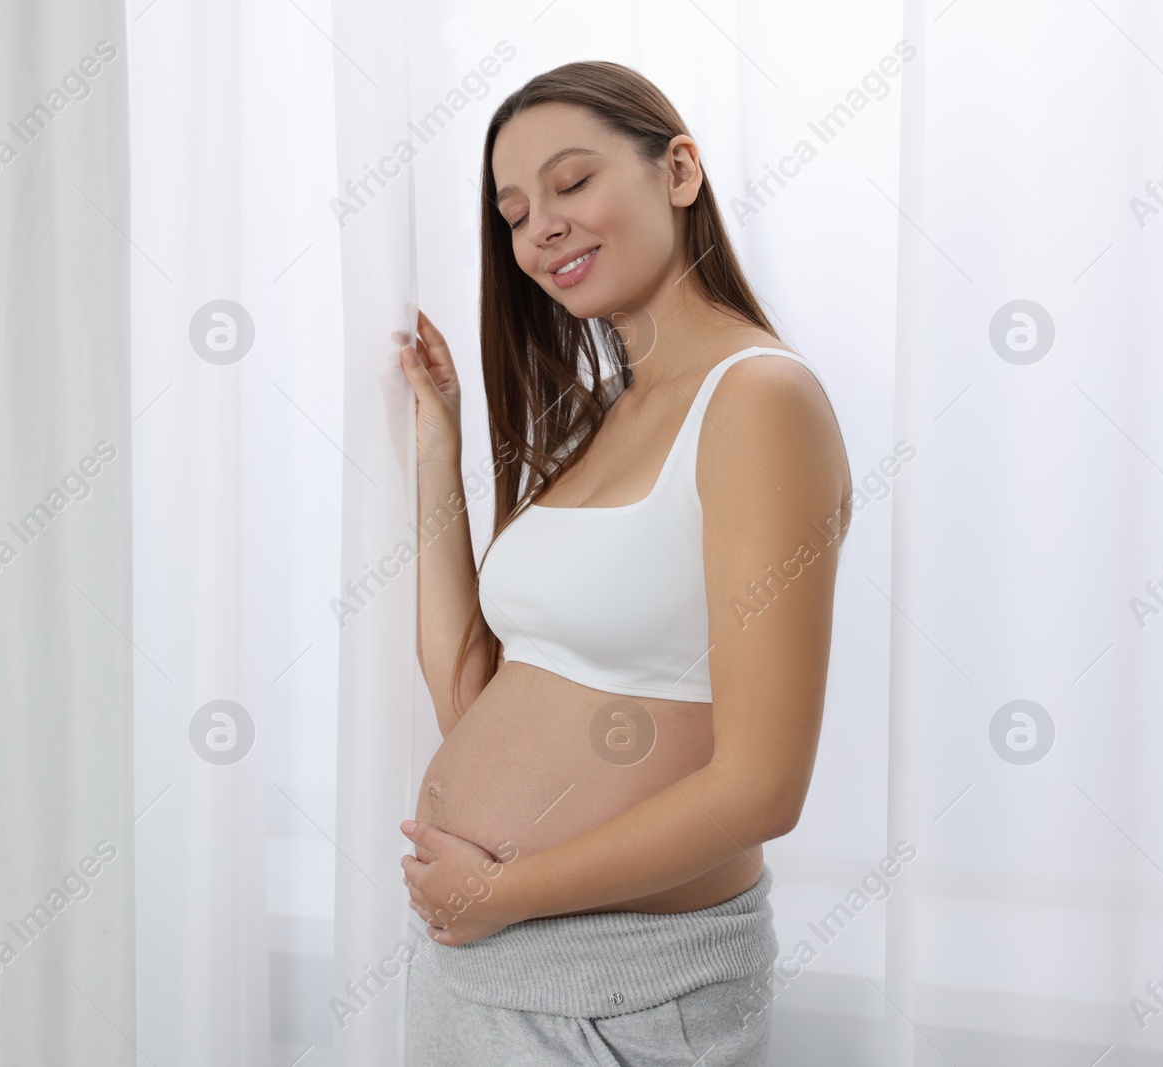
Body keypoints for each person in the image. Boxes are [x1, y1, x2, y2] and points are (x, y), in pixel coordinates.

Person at [396, 60, 852, 1066]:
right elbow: (471, 686)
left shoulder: (757, 401)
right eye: (513, 213)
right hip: (479, 972)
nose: (539, 229)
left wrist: (503, 890)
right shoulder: (605, 420)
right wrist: (438, 449)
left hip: (622, 991)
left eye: (571, 183)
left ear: (678, 170)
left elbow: (763, 785)